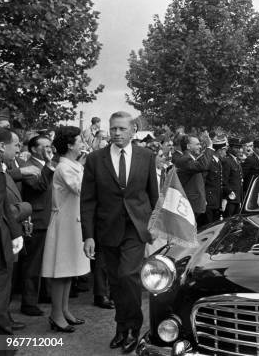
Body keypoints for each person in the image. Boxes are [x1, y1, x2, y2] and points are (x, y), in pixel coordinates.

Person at [81, 111, 158, 353]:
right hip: (108, 229)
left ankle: (134, 327)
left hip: (136, 228)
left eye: (122, 129)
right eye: (113, 128)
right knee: (115, 281)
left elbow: (153, 194)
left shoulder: (147, 156)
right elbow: (88, 201)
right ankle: (121, 328)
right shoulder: (95, 159)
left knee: (128, 275)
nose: (116, 133)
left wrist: (154, 225)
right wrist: (89, 236)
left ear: (133, 130)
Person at [40, 126, 89, 332]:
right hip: (64, 225)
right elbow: (80, 188)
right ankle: (56, 314)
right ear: (69, 145)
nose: (82, 144)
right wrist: (87, 167)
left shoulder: (73, 165)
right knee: (61, 271)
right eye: (79, 141)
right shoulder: (65, 167)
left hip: (72, 223)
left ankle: (64, 310)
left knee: (69, 271)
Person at [19, 135, 55, 316]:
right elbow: (39, 187)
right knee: (32, 263)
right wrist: (49, 166)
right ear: (33, 149)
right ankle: (28, 302)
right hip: (35, 220)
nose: (49, 149)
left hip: (47, 217)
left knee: (44, 260)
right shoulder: (27, 167)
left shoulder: (45, 164)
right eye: (45, 146)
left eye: (50, 145)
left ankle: (44, 293)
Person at [0, 128, 26, 336]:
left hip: (4, 236)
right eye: (15, 145)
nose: (18, 149)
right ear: (1, 146)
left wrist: (15, 233)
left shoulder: (1, 168)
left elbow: (4, 206)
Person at [174, 134, 212, 227]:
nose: (200, 146)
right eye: (197, 144)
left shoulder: (191, 159)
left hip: (194, 204)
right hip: (189, 205)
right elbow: (203, 166)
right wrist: (209, 147)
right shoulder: (185, 159)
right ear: (188, 146)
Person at [223, 138, 244, 217]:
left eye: (239, 148)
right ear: (230, 148)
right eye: (236, 148)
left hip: (237, 198)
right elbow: (224, 181)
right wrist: (229, 193)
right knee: (229, 221)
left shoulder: (236, 161)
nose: (238, 150)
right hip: (230, 199)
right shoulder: (227, 161)